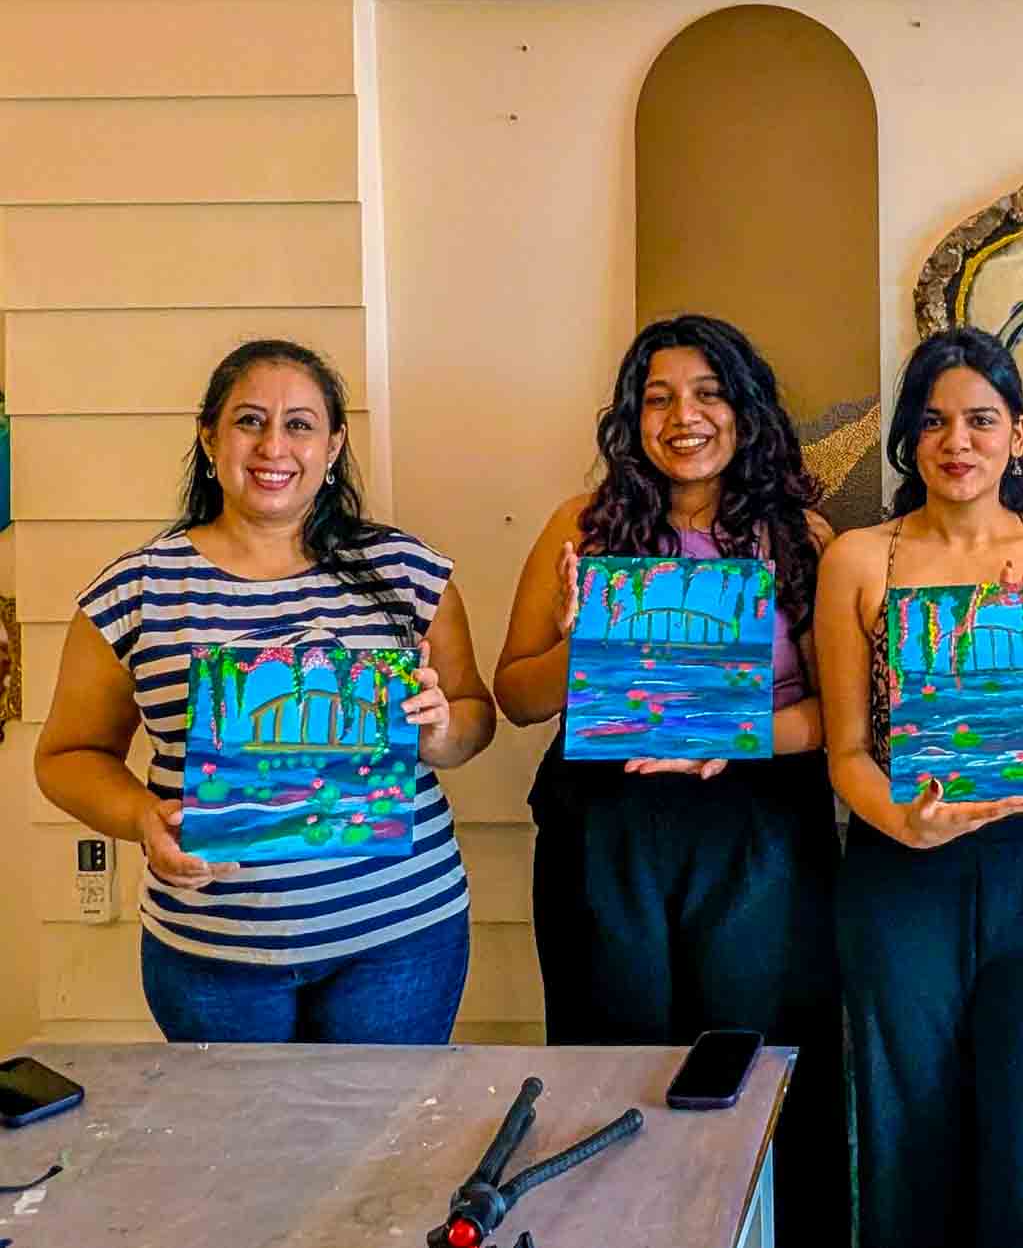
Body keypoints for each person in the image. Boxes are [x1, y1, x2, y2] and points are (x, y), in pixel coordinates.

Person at [493, 314, 846, 1244]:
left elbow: (834, 719)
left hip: (759, 836)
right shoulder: (582, 528)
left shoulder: (797, 534)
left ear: (745, 408)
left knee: (752, 1069)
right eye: (657, 398)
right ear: (630, 418)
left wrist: (736, 739)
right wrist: (578, 644)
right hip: (606, 839)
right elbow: (517, 696)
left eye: (706, 393)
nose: (682, 416)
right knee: (613, 1070)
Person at [35, 339, 494, 1042]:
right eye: (250, 420)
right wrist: (141, 820)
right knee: (238, 1150)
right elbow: (67, 755)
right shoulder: (137, 589)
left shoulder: (407, 571)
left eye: (300, 424)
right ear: (210, 437)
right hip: (212, 956)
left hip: (401, 939)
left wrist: (439, 732)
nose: (273, 445)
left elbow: (472, 719)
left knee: (387, 1147)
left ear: (333, 445)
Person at [815, 326, 1023, 1248]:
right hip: (900, 877)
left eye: (982, 420)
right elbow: (845, 754)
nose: (959, 442)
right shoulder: (860, 560)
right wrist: (905, 826)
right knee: (906, 1154)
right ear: (910, 437)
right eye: (936, 421)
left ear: (1017, 435)